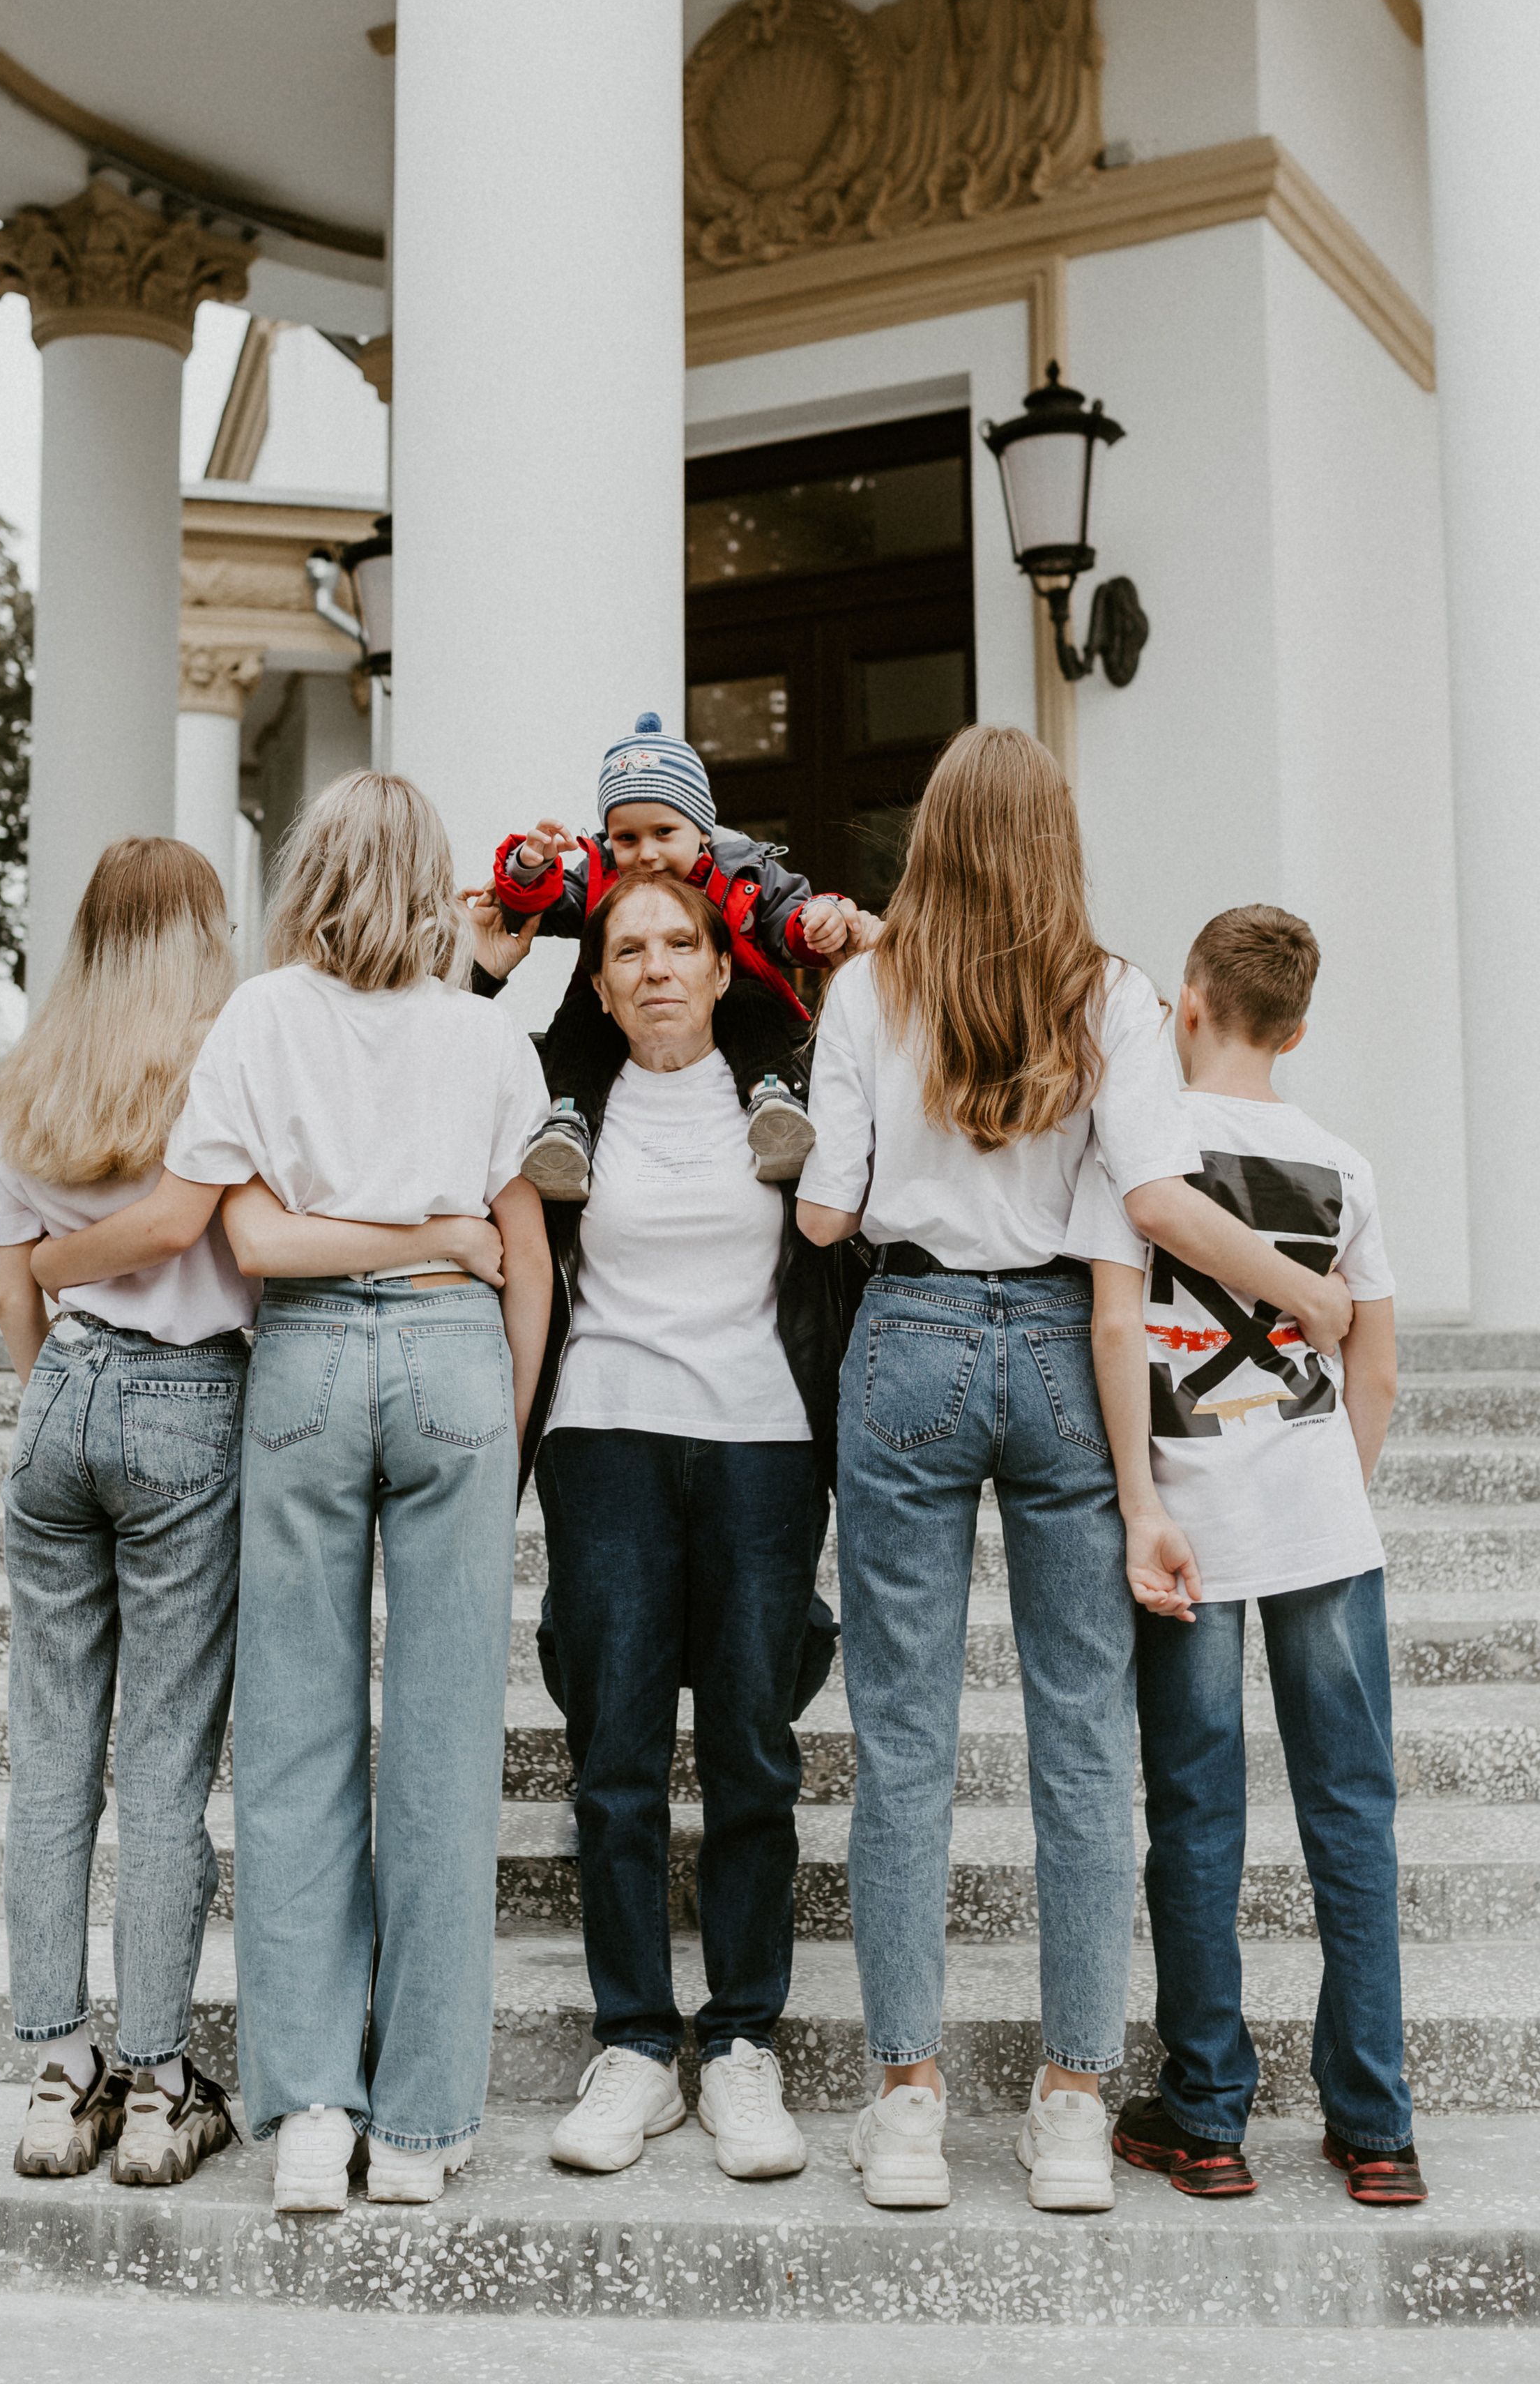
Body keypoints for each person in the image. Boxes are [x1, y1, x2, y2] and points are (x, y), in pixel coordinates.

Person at [795, 727, 1359, 2217]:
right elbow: (1156, 1201)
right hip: (1061, 1346)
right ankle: (1067, 2106)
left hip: (910, 1339)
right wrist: (1308, 1293)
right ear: (1056, 841)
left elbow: (828, 1215)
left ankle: (907, 2105)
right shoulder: (1111, 995)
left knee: (901, 1741)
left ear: (929, 834)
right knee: (1083, 1743)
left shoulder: (866, 991)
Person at [38, 772, 552, 2210]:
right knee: (443, 1753)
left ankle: (313, 2110)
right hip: (455, 1360)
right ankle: (423, 2126)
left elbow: (253, 1244)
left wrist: (373, 1240)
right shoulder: (486, 1037)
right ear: (433, 882)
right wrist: (501, 1422)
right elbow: (522, 1256)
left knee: (293, 1747)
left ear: (311, 876)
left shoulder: (259, 1017)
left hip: (310, 1368)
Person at [1069, 904, 1425, 2206]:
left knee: (1195, 1813)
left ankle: (1207, 2116)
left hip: (1192, 1527)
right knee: (1353, 1815)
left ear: (1188, 1006)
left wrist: (1136, 1498)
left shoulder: (1142, 1140)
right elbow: (1374, 1366)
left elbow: (1118, 1331)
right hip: (1321, 1520)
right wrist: (1328, 1490)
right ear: (1298, 1030)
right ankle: (1376, 2130)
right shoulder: (1344, 1164)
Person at [526, 872, 845, 2183]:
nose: (656, 966)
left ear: (723, 969)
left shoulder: (790, 1094)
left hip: (765, 1442)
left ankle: (745, 2040)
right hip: (603, 1434)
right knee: (617, 1752)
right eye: (628, 951)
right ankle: (638, 2045)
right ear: (600, 986)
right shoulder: (561, 1105)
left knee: (753, 1750)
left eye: (679, 945)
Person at [0, 837, 251, 2190]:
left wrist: (63, 1405)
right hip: (187, 1404)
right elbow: (231, 1251)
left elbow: (13, 1291)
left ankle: (55, 2074)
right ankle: (154, 2085)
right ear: (201, 934)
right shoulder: (220, 1067)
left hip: (60, 1397)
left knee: (49, 1758)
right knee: (161, 1765)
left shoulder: (28, 1082)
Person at [491, 712, 878, 1198]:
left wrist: (817, 922)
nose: (646, 854)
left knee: (751, 1003)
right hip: (619, 1018)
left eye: (663, 832)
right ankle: (568, 1123)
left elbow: (788, 919)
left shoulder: (744, 872)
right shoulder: (599, 877)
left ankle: (772, 1102)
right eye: (627, 839)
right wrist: (529, 868)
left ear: (702, 830)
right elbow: (544, 906)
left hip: (733, 1003)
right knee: (579, 1018)